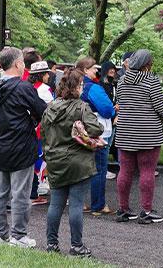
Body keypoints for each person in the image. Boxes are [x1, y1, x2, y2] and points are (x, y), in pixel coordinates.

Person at [41, 68, 103, 257]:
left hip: (55, 160)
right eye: (81, 85)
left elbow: (43, 132)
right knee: (75, 205)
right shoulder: (81, 107)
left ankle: (52, 244)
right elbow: (96, 129)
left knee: (55, 204)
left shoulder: (50, 107)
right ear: (76, 87)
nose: (82, 88)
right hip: (78, 161)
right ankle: (76, 246)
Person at [0, 46, 47, 247]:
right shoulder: (23, 87)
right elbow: (42, 110)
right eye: (22, 62)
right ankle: (19, 236)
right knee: (20, 194)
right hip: (21, 145)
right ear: (17, 64)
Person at [113, 49, 163, 224]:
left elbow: (120, 103)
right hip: (148, 133)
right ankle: (147, 210)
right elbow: (162, 108)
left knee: (125, 171)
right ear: (148, 64)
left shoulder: (121, 81)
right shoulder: (151, 81)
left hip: (125, 132)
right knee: (147, 171)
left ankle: (123, 209)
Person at [77, 56, 116, 216]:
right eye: (94, 68)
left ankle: (78, 202)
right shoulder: (93, 87)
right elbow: (107, 109)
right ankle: (98, 205)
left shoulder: (73, 85)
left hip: (78, 132)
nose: (97, 70)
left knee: (79, 168)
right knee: (99, 168)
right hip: (97, 132)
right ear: (86, 70)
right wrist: (113, 109)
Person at [27, 60, 55, 204]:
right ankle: (34, 192)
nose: (48, 76)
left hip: (28, 127)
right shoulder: (45, 89)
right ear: (42, 75)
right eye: (46, 74)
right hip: (41, 128)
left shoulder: (27, 87)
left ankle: (31, 191)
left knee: (31, 160)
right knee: (39, 158)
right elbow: (51, 110)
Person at [99, 61, 120, 178]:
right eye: (109, 69)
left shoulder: (114, 84)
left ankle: (103, 169)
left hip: (113, 119)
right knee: (103, 145)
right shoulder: (101, 85)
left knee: (109, 144)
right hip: (104, 120)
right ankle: (102, 170)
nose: (112, 71)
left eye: (114, 69)